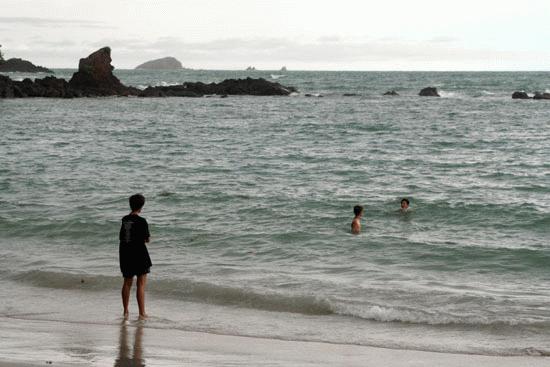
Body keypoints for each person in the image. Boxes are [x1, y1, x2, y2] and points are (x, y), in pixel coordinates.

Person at [119, 193, 152, 319]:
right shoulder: (142, 221)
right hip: (139, 253)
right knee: (141, 284)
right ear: (141, 206)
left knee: (127, 282)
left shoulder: (124, 219)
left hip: (125, 253)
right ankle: (142, 313)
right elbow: (147, 239)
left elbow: (123, 238)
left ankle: (126, 311)